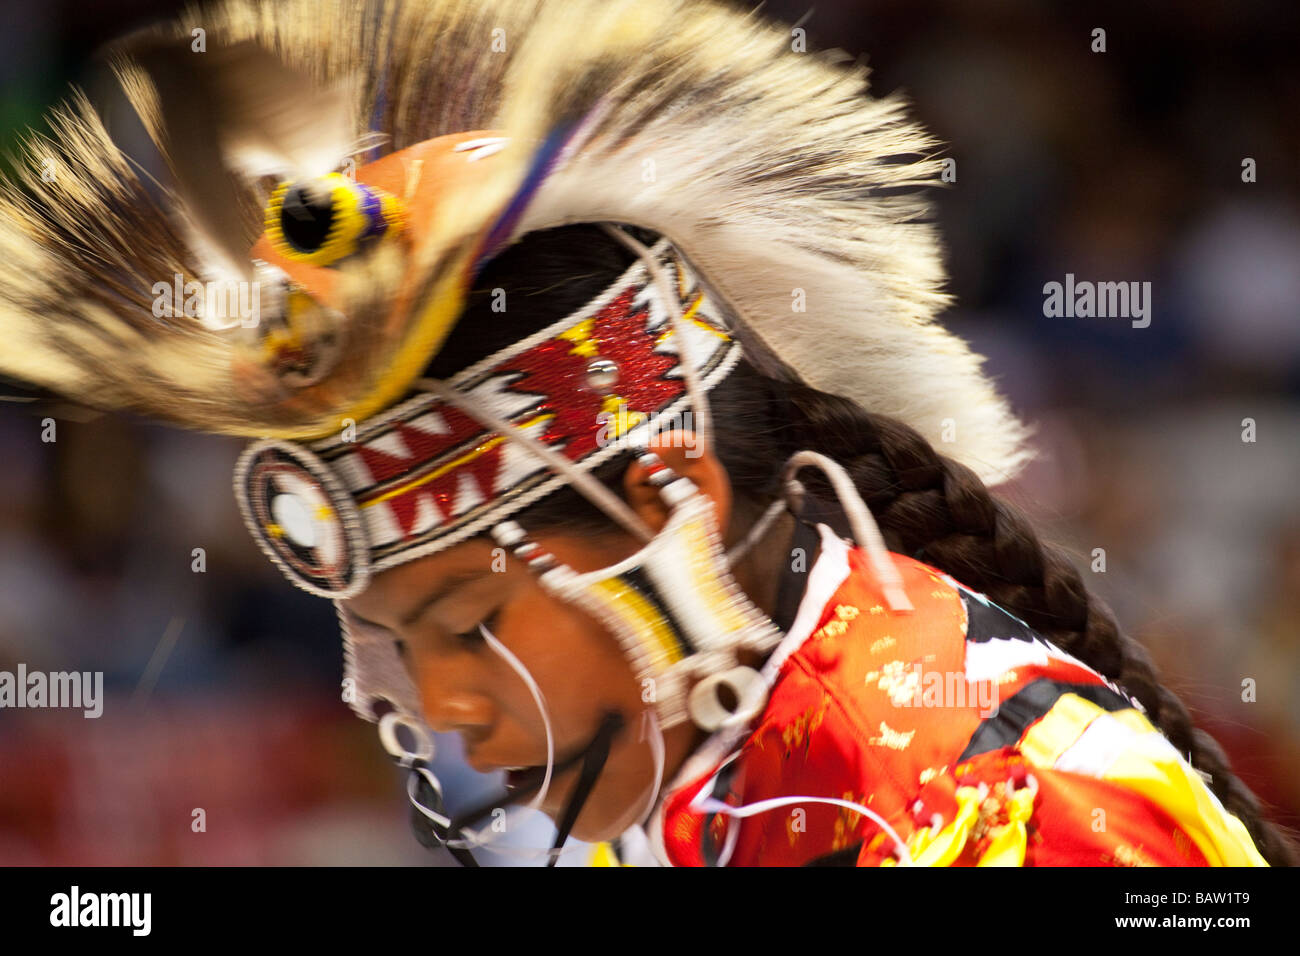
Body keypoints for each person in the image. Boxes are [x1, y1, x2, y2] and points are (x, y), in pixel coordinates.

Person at [0, 0, 1291, 866]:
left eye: (465, 627)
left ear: (669, 503)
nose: (406, 709)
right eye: (381, 639)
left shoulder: (978, 804)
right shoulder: (721, 763)